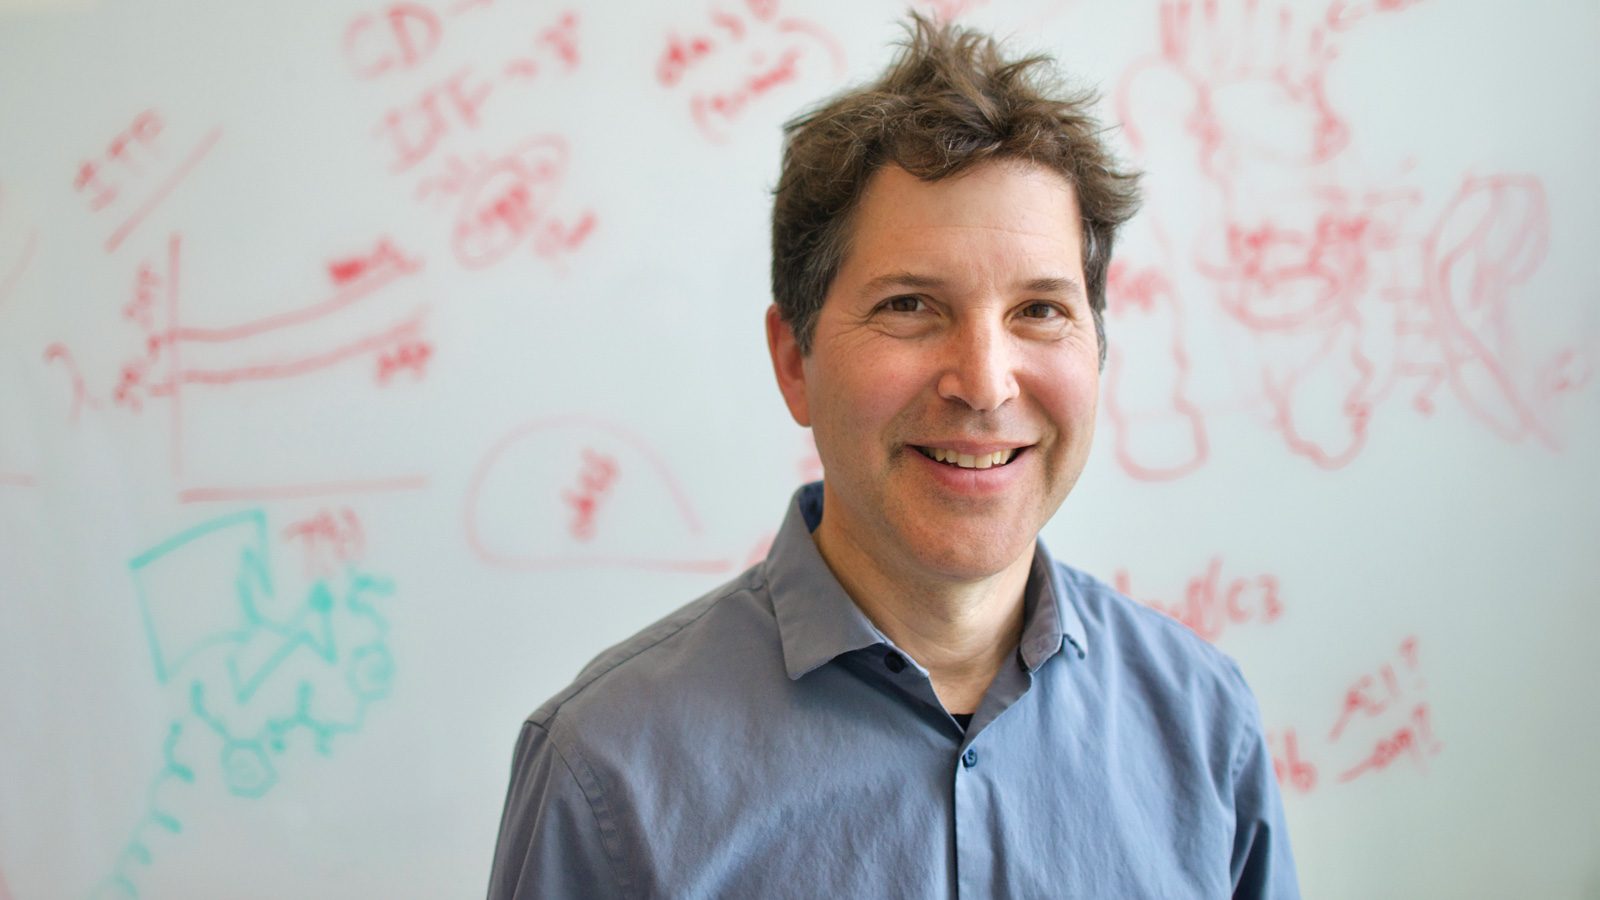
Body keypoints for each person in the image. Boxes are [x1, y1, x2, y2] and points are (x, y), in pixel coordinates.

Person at [488, 14, 1298, 899]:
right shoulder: (605, 770)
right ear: (794, 362)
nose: (984, 384)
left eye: (1040, 310)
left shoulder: (1205, 725)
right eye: (910, 305)